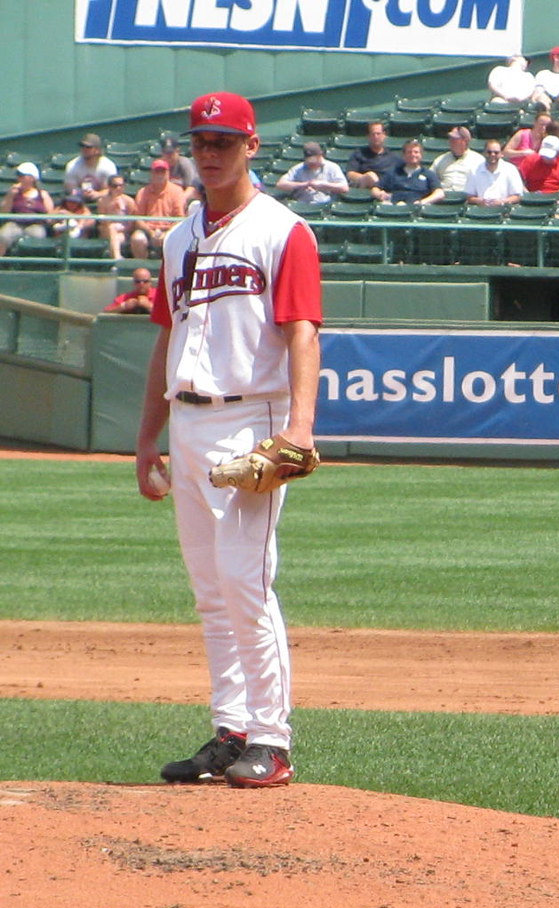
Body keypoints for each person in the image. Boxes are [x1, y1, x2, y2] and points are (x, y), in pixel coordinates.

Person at [135, 90, 322, 789]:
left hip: (254, 418)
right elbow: (166, 336)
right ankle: (231, 729)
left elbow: (303, 330)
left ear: (251, 147)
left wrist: (299, 428)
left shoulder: (282, 231)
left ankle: (272, 740)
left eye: (222, 141)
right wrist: (146, 437)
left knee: (247, 581)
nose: (208, 153)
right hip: (186, 418)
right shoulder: (178, 238)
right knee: (211, 589)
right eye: (200, 142)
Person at [130, 159, 187, 259]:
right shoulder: (143, 192)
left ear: (168, 173)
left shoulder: (177, 191)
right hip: (149, 230)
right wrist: (151, 233)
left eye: (163, 171)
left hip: (170, 230)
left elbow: (179, 218)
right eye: (157, 172)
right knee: (137, 239)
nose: (160, 175)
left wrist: (166, 233)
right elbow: (138, 219)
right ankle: (144, 269)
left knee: (179, 240)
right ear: (151, 174)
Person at [0, 162, 54, 256]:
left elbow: (50, 215)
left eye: (22, 176)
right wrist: (10, 196)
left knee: (38, 236)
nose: (19, 178)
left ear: (32, 178)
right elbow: (4, 212)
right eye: (18, 176)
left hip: (35, 224)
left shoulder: (42, 194)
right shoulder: (13, 193)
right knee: (3, 236)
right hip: (15, 223)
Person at [370, 139, 444, 205]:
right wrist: (379, 194)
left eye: (416, 152)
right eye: (409, 152)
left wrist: (422, 202)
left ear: (421, 155)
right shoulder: (393, 172)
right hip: (395, 207)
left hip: (417, 209)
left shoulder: (428, 174)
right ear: (404, 155)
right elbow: (374, 189)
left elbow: (440, 193)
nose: (413, 155)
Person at [275, 142, 349, 205]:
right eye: (309, 162)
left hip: (325, 204)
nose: (312, 164)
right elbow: (280, 184)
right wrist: (304, 184)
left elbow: (344, 187)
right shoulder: (298, 168)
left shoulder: (332, 167)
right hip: (301, 204)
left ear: (320, 156)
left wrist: (324, 185)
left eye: (314, 161)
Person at [464, 140, 524, 207]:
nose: (492, 155)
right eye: (489, 152)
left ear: (501, 154)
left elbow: (517, 196)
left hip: (504, 210)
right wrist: (480, 201)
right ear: (484, 153)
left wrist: (502, 202)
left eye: (496, 152)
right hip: (481, 210)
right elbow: (469, 196)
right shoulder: (474, 170)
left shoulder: (511, 169)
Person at [64, 132, 118, 202]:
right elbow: (70, 188)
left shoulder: (108, 166)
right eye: (82, 146)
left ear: (97, 150)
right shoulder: (72, 165)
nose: (84, 149)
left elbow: (110, 190)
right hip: (79, 201)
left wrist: (98, 194)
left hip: (102, 200)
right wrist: (81, 193)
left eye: (88, 147)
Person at [430, 127, 485, 194]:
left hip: (466, 199)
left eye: (454, 139)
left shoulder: (478, 160)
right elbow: (429, 178)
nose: (451, 141)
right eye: (450, 138)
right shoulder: (441, 159)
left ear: (465, 141)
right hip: (444, 197)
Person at [346, 122, 402, 188]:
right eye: (373, 134)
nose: (376, 137)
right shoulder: (359, 153)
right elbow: (350, 174)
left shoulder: (393, 156)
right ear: (368, 136)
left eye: (378, 134)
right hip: (366, 188)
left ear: (384, 135)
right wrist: (365, 178)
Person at [96, 175, 137, 259]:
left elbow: (132, 222)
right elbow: (102, 221)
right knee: (112, 227)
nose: (118, 188)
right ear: (109, 187)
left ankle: (115, 261)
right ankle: (117, 257)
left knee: (116, 238)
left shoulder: (129, 201)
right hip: (106, 230)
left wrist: (122, 228)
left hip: (123, 231)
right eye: (115, 186)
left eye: (121, 185)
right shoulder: (102, 201)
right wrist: (111, 209)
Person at [158, 133, 199, 202]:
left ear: (178, 151)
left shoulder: (184, 163)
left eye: (171, 153)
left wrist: (179, 200)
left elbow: (191, 188)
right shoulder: (159, 166)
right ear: (162, 153)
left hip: (184, 200)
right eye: (166, 153)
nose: (169, 156)